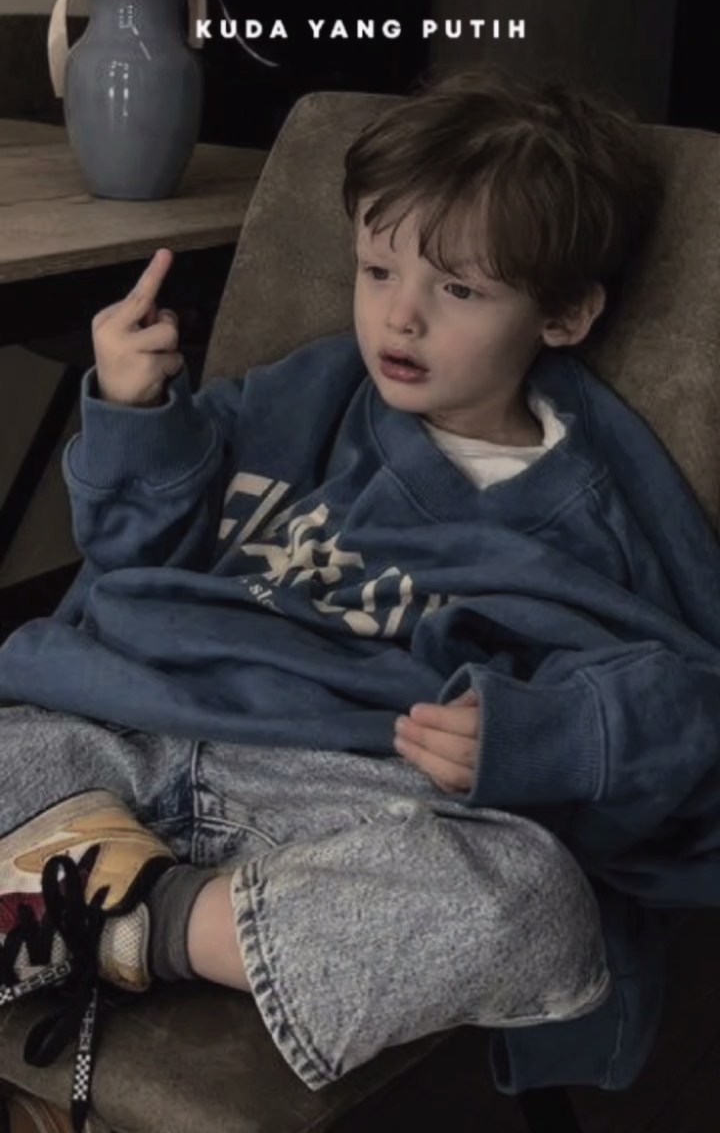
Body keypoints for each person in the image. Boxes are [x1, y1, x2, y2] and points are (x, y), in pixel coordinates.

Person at [1, 65, 720, 1133]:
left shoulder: (588, 509)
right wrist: (131, 408)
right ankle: (97, 907)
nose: (401, 316)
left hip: (345, 806)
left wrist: (537, 735)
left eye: (459, 291)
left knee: (531, 900)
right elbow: (132, 553)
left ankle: (131, 922)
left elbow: (681, 701)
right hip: (130, 740)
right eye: (378, 269)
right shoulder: (306, 393)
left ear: (565, 313)